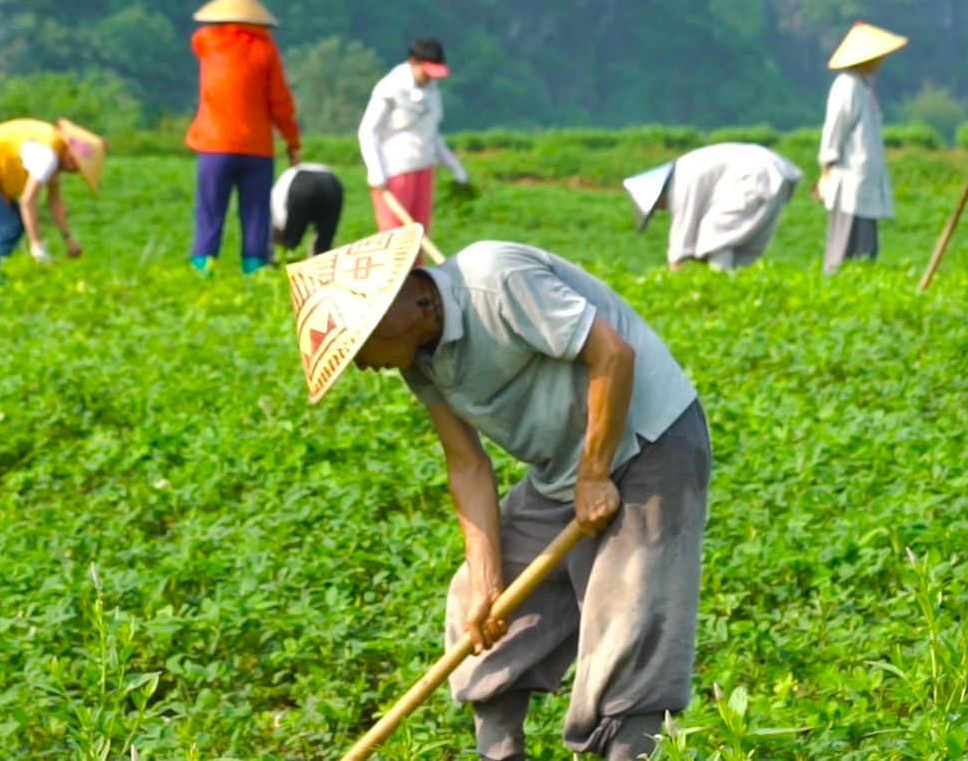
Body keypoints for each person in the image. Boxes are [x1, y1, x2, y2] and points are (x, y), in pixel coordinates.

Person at [285, 225, 710, 761]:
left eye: (360, 349)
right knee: (475, 601)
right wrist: (489, 579)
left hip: (650, 443)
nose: (364, 366)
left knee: (630, 619)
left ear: (404, 307)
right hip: (567, 470)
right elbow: (466, 464)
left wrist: (596, 473)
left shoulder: (495, 278)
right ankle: (499, 753)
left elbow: (612, 357)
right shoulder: (418, 359)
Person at [186, 0, 301, 276]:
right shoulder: (265, 50)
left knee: (210, 209)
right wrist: (292, 141)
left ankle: (203, 264)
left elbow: (197, 39)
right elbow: (280, 102)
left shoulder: (208, 42)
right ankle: (254, 265)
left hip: (215, 145)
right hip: (257, 147)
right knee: (256, 210)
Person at [0, 118, 105, 271]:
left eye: (79, 168)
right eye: (75, 163)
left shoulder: (55, 148)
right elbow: (28, 201)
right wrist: (37, 247)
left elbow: (55, 202)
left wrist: (69, 239)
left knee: (10, 226)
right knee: (10, 226)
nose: (74, 169)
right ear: (69, 150)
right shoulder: (47, 156)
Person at [815, 21, 906, 275]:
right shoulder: (847, 86)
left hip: (864, 176)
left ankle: (859, 281)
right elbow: (834, 130)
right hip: (849, 176)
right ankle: (837, 283)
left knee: (866, 245)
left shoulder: (864, 87)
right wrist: (826, 170)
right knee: (845, 243)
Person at [625, 142, 803, 271]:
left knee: (714, 229)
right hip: (774, 173)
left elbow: (683, 236)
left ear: (659, 196)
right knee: (741, 245)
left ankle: (720, 282)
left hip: (756, 176)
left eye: (657, 207)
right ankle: (739, 282)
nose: (662, 210)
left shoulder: (680, 184)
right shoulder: (685, 168)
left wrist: (673, 273)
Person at [358, 38, 468, 234]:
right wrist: (375, 171)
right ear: (414, 62)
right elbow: (368, 131)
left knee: (419, 234)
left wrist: (455, 167)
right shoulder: (390, 88)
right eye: (426, 72)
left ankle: (417, 266)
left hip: (424, 167)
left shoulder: (432, 89)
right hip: (394, 171)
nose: (429, 78)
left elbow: (431, 133)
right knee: (396, 237)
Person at [270, 162, 343, 260]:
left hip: (302, 184)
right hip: (332, 183)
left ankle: (285, 266)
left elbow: (279, 227)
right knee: (324, 247)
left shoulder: (272, 212)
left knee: (289, 246)